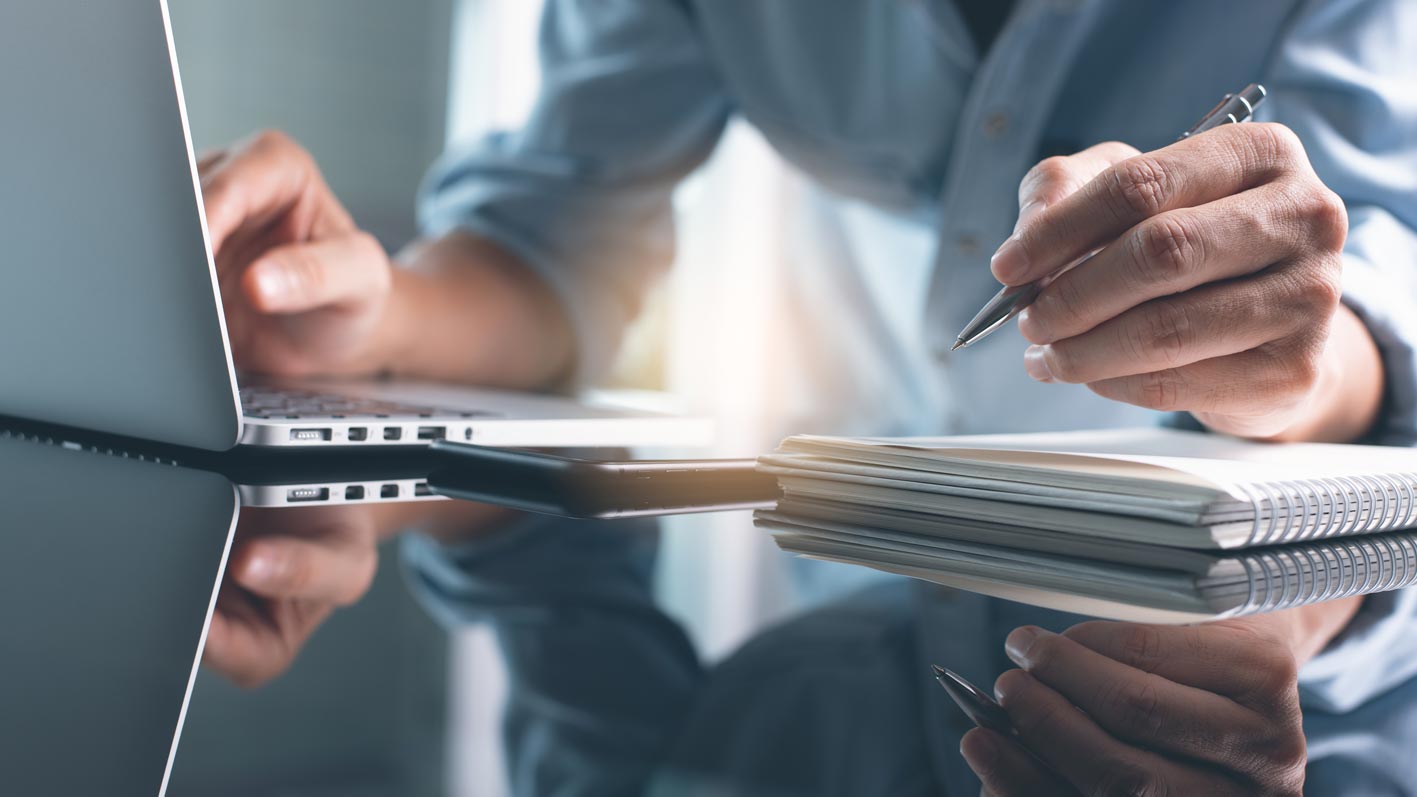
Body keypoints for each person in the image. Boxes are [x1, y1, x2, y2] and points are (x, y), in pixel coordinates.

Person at [199, 1, 1417, 793]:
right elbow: (556, 229)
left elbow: (1376, 257)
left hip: (1253, 562)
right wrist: (378, 312)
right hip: (852, 523)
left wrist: (1312, 361)